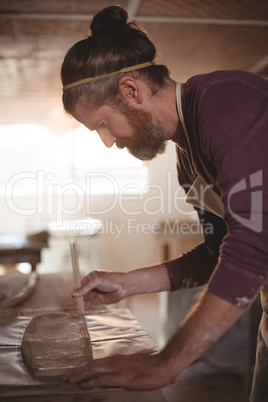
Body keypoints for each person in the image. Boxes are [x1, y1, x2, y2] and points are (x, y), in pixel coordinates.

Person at [60, 5, 268, 400]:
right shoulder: (187, 158)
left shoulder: (228, 103)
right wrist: (129, 283)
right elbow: (217, 251)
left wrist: (163, 363)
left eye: (103, 124)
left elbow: (255, 243)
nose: (107, 141)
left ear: (131, 90)